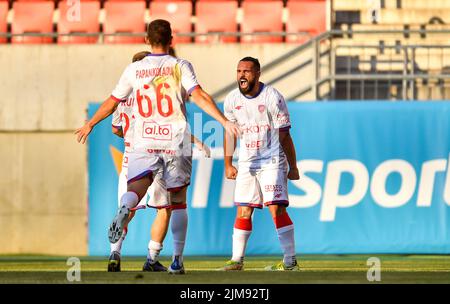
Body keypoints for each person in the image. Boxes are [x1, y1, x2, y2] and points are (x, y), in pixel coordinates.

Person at [75, 19, 240, 274]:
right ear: (171, 40)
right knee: (177, 203)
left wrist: (91, 123)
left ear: (146, 39)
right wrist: (223, 120)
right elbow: (198, 95)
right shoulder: (179, 66)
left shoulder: (134, 70)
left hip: (143, 141)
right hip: (174, 141)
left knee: (136, 189)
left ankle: (126, 207)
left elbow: (112, 101)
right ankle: (176, 261)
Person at [220, 57, 300, 271]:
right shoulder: (231, 99)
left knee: (276, 208)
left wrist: (293, 166)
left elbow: (285, 135)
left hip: (272, 160)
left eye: (247, 71)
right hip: (247, 162)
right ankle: (237, 260)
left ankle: (290, 261)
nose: (242, 75)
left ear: (257, 73)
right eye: (239, 71)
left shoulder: (273, 97)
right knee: (243, 210)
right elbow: (230, 133)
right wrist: (228, 163)